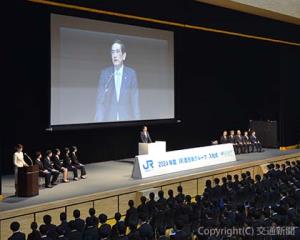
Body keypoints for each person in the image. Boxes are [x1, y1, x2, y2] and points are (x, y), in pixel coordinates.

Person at [95, 39, 140, 122]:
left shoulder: (131, 74)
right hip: (109, 120)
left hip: (126, 120)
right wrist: (98, 121)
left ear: (124, 56)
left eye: (117, 52)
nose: (114, 55)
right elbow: (99, 101)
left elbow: (135, 101)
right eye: (112, 52)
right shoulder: (105, 74)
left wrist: (138, 121)